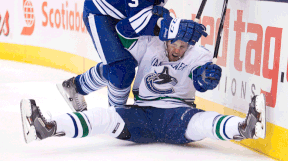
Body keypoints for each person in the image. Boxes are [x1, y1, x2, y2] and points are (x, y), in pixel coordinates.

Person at [57, 0, 255, 111]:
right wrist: (173, 26)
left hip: (133, 13)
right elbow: (138, 23)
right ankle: (115, 116)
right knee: (121, 69)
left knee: (131, 61)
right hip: (102, 14)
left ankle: (75, 86)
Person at [20, 37, 266, 145]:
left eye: (184, 45)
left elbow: (200, 78)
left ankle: (244, 128)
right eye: (175, 44)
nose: (179, 50)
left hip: (177, 115)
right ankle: (48, 127)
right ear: (166, 38)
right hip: (140, 114)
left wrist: (204, 77)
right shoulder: (149, 44)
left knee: (203, 121)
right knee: (103, 117)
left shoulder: (198, 54)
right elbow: (119, 55)